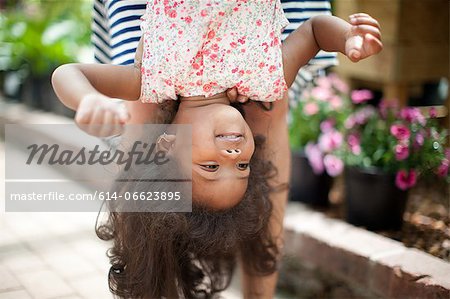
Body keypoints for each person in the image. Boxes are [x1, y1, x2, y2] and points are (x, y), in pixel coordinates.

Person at [52, 1, 382, 297]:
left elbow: (68, 73)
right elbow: (313, 30)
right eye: (242, 168)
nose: (233, 156)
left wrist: (87, 99)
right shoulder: (265, 83)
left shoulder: (152, 80)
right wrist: (346, 37)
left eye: (210, 168)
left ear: (167, 146)